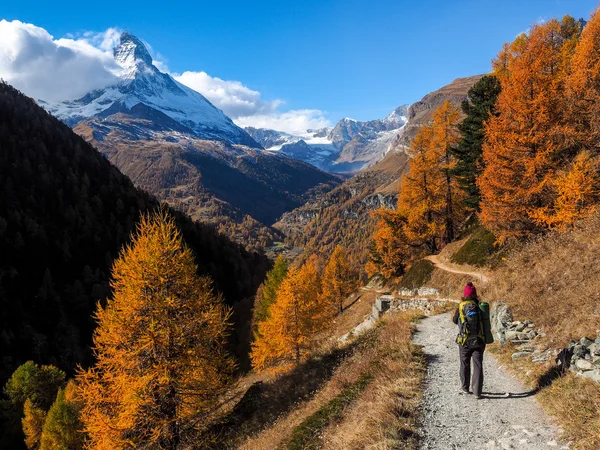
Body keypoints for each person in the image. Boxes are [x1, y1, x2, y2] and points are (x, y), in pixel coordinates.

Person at [452, 282, 485, 399]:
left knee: (464, 364)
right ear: (475, 294)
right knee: (478, 365)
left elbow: (455, 320)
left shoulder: (461, 306)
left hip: (464, 341)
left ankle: (465, 388)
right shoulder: (480, 306)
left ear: (464, 295)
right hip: (479, 340)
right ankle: (477, 392)